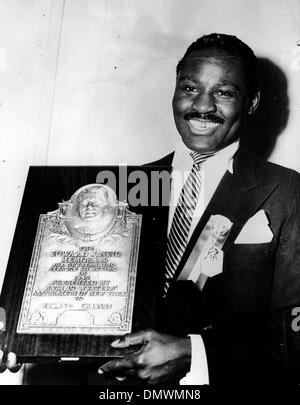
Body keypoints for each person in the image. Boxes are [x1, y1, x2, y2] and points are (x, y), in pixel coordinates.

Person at [2, 33, 300, 385]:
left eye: (223, 92)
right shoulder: (124, 189)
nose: (202, 106)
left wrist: (195, 354)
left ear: (251, 103)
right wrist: (21, 327)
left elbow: (293, 333)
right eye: (190, 88)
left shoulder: (287, 191)